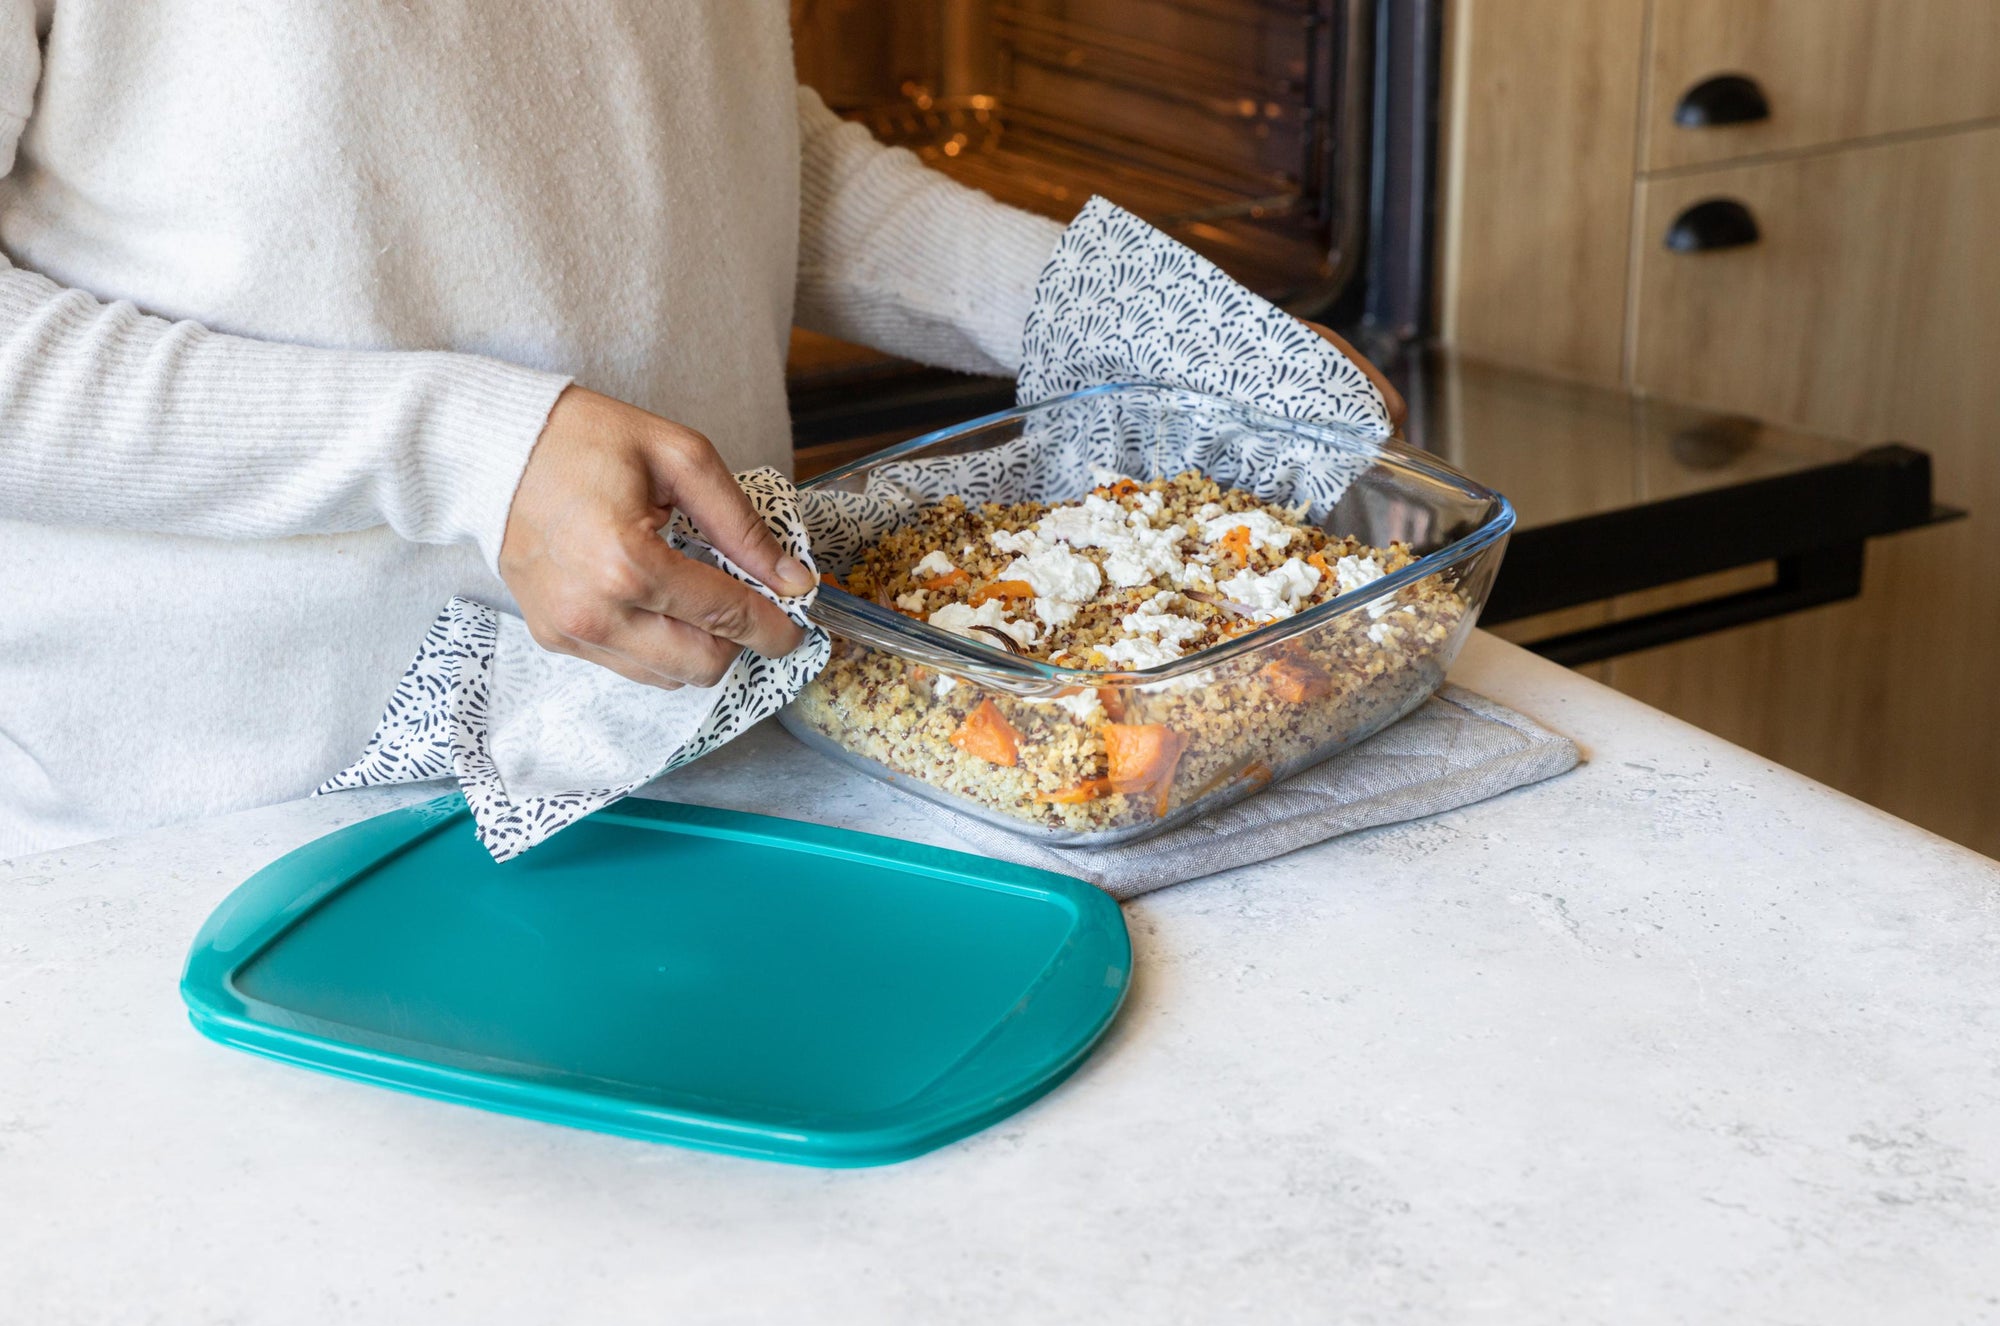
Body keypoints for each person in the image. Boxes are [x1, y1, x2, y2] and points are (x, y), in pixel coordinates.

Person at [0, 3, 1402, 859]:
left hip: (717, 759)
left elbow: (711, 147)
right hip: (230, 839)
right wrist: (462, 449)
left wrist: (1116, 316)